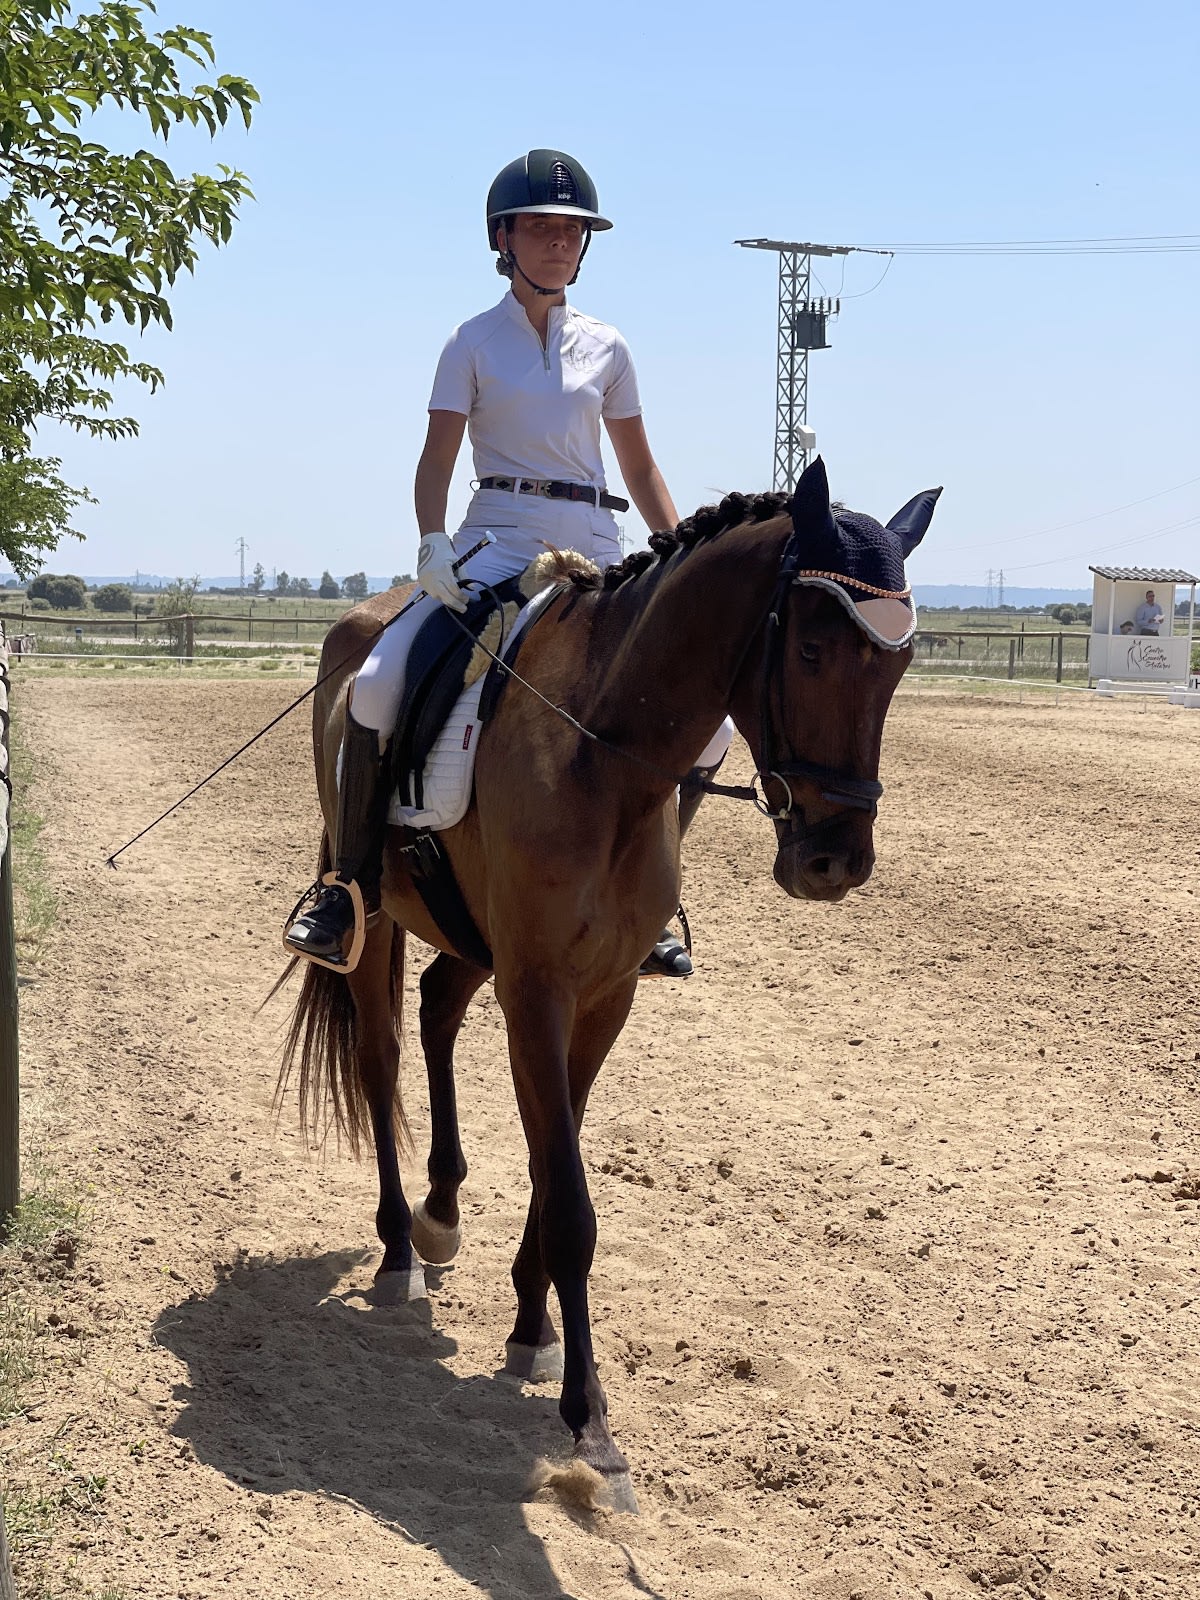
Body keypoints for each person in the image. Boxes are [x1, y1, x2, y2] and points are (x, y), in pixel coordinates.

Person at [286, 149, 731, 975]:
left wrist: (677, 554)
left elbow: (639, 470)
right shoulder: (471, 343)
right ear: (504, 237)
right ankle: (347, 887)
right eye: (541, 228)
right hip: (499, 539)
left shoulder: (610, 347)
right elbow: (435, 460)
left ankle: (648, 901)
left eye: (571, 231)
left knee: (714, 730)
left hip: (599, 550)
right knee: (379, 683)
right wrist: (431, 542)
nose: (558, 243)